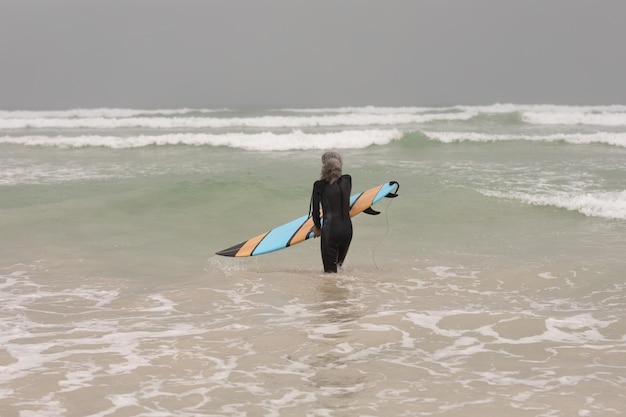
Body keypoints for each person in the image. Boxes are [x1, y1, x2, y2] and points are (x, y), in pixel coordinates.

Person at [310, 151, 353, 273]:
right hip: (347, 230)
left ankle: (331, 292)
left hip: (330, 232)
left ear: (324, 166)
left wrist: (317, 227)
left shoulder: (319, 185)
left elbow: (315, 211)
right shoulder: (348, 180)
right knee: (339, 268)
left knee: (330, 273)